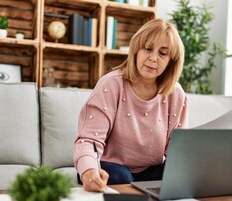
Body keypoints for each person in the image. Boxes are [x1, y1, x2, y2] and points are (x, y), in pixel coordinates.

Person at [73, 18, 189, 192]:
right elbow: (89, 140)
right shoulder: (111, 85)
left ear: (171, 61)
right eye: (148, 49)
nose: (153, 58)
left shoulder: (176, 94)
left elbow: (177, 151)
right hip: (109, 167)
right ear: (136, 50)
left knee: (180, 175)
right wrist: (89, 170)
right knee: (122, 178)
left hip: (151, 171)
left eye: (163, 54)